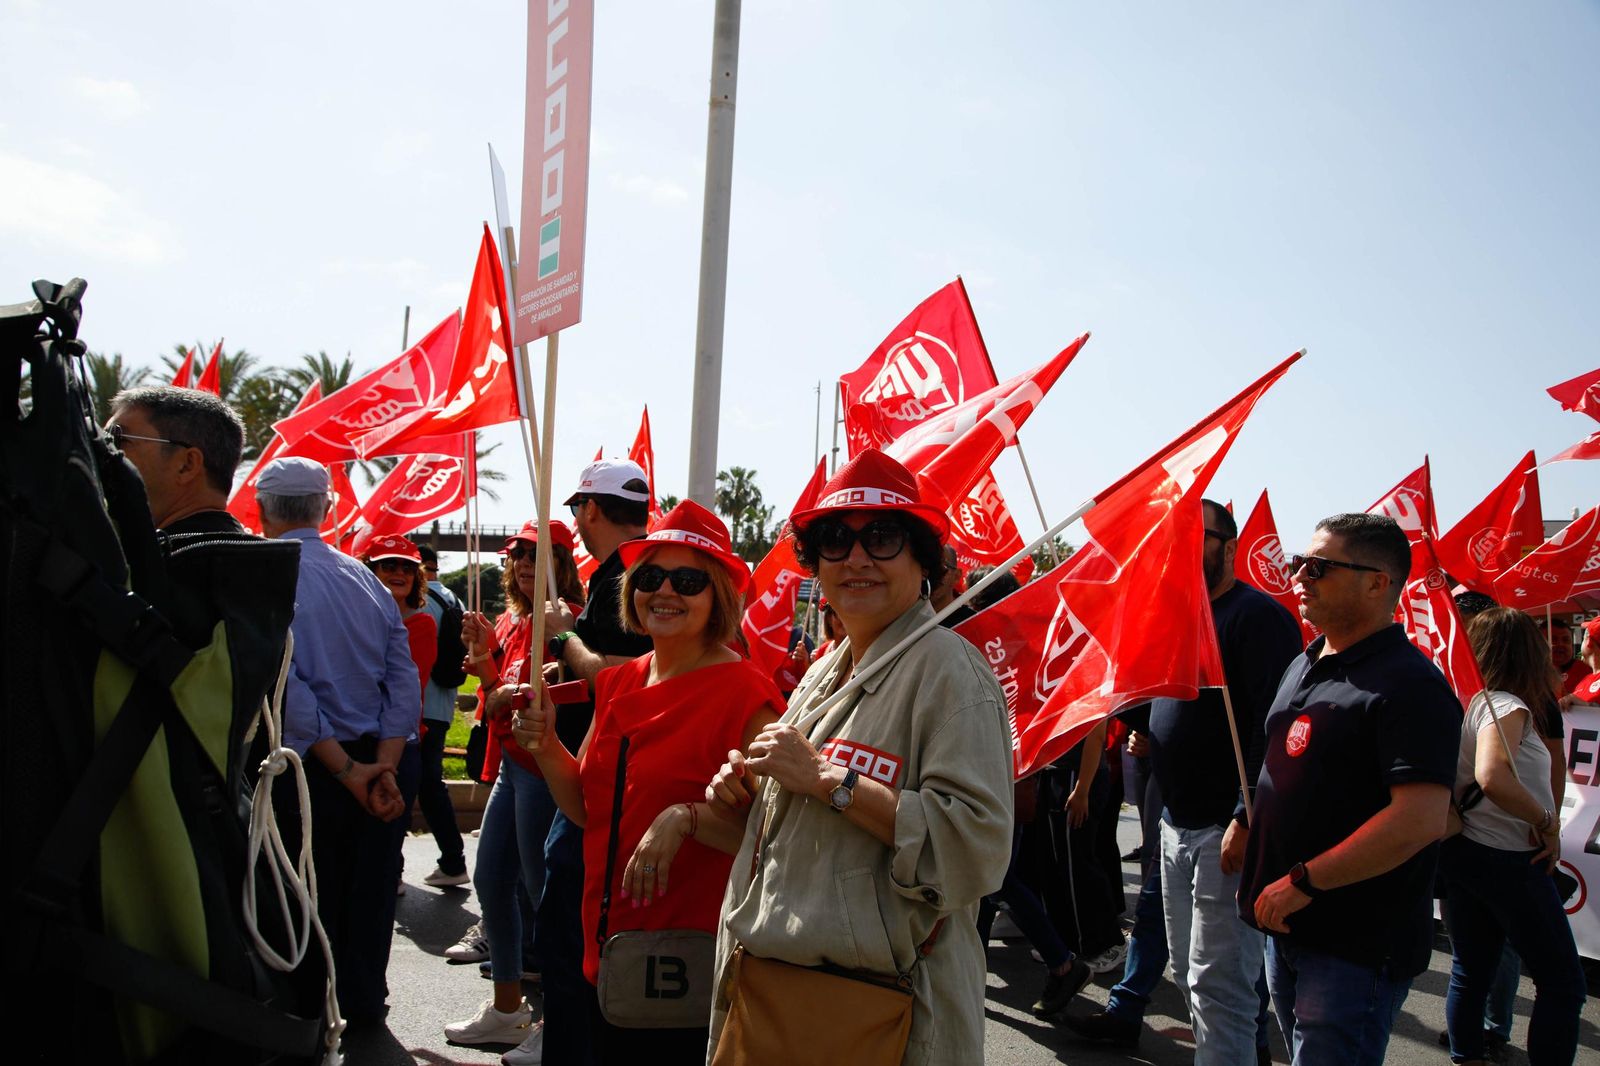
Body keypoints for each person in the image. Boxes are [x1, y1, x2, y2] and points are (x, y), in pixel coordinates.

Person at [705, 449, 1014, 1065]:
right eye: (834, 540)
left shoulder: (950, 671)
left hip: (885, 1018)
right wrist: (747, 793)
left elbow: (977, 848)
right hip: (776, 1002)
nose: (856, 558)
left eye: (883, 537)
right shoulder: (826, 669)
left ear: (922, 558)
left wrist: (826, 779)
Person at [512, 500, 783, 1063]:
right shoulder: (622, 681)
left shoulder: (748, 696)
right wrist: (546, 746)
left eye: (688, 580)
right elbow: (589, 809)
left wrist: (683, 820)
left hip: (685, 961)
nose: (665, 592)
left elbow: (773, 843)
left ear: (719, 597)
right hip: (602, 943)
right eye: (651, 576)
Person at [1072, 500, 1300, 1064]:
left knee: (1220, 986)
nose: (1181, 546)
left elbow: (1273, 727)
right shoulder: (1179, 616)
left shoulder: (1258, 618)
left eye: (1198, 535)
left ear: (1229, 543)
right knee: (1192, 976)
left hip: (1226, 832)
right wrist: (1148, 730)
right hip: (1175, 823)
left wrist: (1246, 817)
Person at [1238, 512, 1462, 1065]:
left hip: (1351, 942)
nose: (1300, 576)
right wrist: (1243, 819)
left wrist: (1305, 881)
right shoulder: (1307, 660)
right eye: (1299, 563)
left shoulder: (1410, 683)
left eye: (1319, 567)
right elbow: (1277, 758)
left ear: (1377, 582)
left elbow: (1420, 819)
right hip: (1289, 926)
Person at [258, 456, 421, 1024]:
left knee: (307, 892)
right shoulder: (366, 578)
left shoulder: (268, 575)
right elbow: (402, 676)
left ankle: (311, 1010)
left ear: (263, 511)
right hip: (381, 759)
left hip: (313, 769)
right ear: (327, 508)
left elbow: (286, 685)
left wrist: (349, 770)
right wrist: (385, 764)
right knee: (372, 889)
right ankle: (363, 1001)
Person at [517, 460, 655, 1066]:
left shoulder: (628, 573)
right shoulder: (632, 571)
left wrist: (562, 636)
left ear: (590, 510)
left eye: (577, 510)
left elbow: (623, 681)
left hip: (614, 777)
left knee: (571, 940)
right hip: (611, 770)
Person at [444, 520, 585, 1051]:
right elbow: (495, 692)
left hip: (543, 772)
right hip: (509, 765)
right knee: (490, 881)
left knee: (541, 895)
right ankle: (508, 1009)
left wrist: (514, 689)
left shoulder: (570, 619)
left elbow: (575, 689)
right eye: (519, 555)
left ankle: (554, 1024)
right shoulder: (508, 620)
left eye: (540, 556)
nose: (526, 565)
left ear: (565, 564)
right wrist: (484, 663)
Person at [1441, 607, 1585, 1066]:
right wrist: (1547, 821)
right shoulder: (1507, 705)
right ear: (1528, 655)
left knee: (1471, 968)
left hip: (1466, 853)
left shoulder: (1471, 703)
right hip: (1505, 858)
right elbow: (1493, 776)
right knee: (1563, 983)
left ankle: (1466, 1056)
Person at [107, 384, 246, 535]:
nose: (105, 450)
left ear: (186, 465)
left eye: (116, 438)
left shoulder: (158, 557)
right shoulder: (263, 556)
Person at [415, 544, 469, 889]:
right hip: (442, 704)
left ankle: (452, 859)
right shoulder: (453, 599)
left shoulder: (419, 603)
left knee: (423, 785)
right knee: (428, 782)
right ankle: (452, 858)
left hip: (419, 706)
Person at [363, 535, 437, 698]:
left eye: (408, 568)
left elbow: (402, 688)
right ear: (370, 571)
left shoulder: (421, 625)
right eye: (389, 565)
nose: (399, 573)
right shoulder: (354, 618)